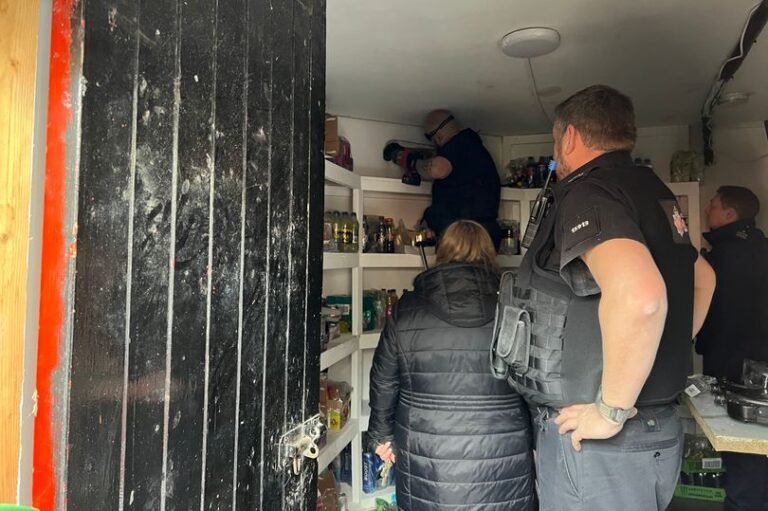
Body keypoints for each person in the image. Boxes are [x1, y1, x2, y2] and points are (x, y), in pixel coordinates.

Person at [493, 85, 716, 511]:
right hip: (651, 431)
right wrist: (655, 347)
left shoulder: (589, 193)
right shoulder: (651, 190)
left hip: (603, 443)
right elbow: (703, 278)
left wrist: (611, 409)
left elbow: (641, 295)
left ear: (569, 137)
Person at [368, 220, 535, 511]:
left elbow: (384, 380)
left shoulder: (407, 310)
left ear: (442, 253)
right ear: (489, 253)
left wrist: (380, 435)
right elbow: (535, 381)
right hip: (502, 452)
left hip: (428, 456)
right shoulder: (516, 308)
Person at [696, 185, 768, 511]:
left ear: (729, 214)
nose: (706, 209)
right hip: (760, 367)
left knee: (743, 455)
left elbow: (713, 315)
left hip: (735, 371)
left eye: (712, 205)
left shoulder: (720, 257)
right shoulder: (762, 247)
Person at [386, 110, 502, 247]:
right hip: (480, 235)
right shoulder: (474, 153)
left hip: (465, 236)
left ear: (438, 137)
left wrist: (410, 161)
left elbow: (437, 169)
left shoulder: (461, 143)